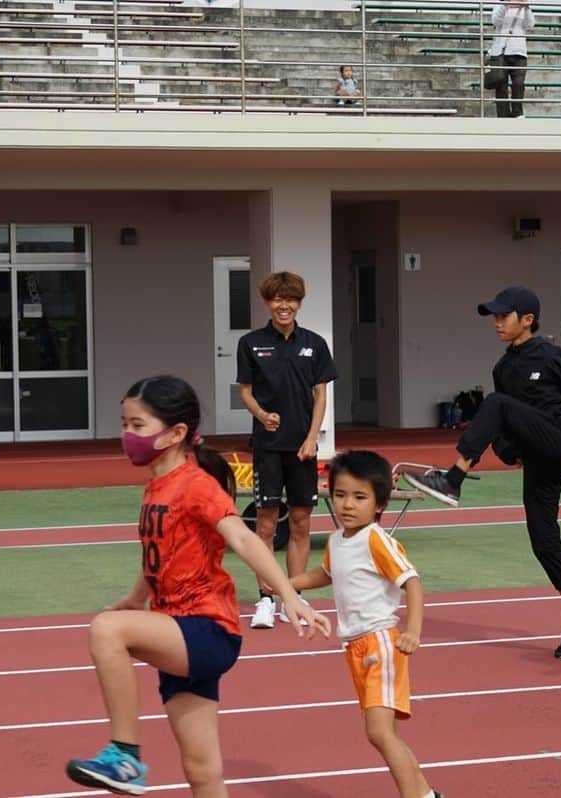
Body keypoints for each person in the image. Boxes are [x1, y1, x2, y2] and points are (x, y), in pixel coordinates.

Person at [66, 375, 331, 796]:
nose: (126, 435)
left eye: (138, 426)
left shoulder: (196, 486)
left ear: (176, 433)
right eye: (124, 425)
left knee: (106, 630)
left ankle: (125, 755)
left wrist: (288, 594)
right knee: (203, 771)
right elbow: (161, 553)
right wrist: (136, 598)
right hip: (179, 631)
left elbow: (244, 537)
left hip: (206, 630)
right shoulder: (156, 488)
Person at [404, 285, 561, 659]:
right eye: (493, 316)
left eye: (502, 316)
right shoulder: (503, 368)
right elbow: (508, 422)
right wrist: (511, 452)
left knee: (494, 405)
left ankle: (452, 479)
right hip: (538, 454)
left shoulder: (553, 357)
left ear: (527, 320)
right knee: (543, 539)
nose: (496, 323)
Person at [291, 450, 443, 798]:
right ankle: (426, 794)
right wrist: (289, 584)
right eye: (340, 494)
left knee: (379, 732)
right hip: (355, 648)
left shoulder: (376, 539)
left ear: (378, 504)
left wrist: (413, 630)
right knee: (384, 734)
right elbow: (326, 574)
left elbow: (412, 581)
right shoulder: (336, 541)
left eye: (359, 497)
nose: (347, 505)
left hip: (381, 643)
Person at [237, 271, 338, 630]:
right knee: (265, 524)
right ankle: (265, 598)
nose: (285, 306)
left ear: (299, 303)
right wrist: (262, 415)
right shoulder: (251, 343)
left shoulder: (314, 344)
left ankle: (292, 596)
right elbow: (245, 391)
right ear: (268, 302)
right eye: (278, 299)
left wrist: (313, 438)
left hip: (302, 450)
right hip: (267, 447)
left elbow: (321, 393)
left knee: (300, 522)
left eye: (291, 299)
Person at [488, 0, 535, 118]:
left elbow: (530, 24)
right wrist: (506, 6)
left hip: (519, 52)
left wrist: (527, 7)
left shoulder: (524, 9)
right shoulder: (499, 6)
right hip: (501, 51)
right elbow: (496, 21)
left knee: (519, 84)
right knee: (501, 86)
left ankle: (517, 112)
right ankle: (503, 115)